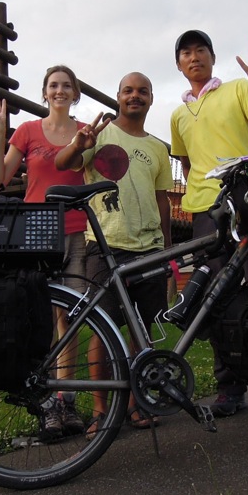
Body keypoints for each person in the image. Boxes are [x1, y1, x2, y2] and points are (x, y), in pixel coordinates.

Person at [169, 29, 248, 425]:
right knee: (214, 299)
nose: (194, 57)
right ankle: (230, 387)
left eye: (201, 50)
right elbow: (187, 164)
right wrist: (199, 190)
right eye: (186, 53)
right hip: (205, 212)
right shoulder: (177, 115)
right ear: (179, 64)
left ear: (212, 56)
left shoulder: (239, 89)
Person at [56, 72, 173, 437]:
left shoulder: (158, 147)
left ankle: (138, 405)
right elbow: (63, 163)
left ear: (151, 99)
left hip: (149, 248)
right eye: (128, 91)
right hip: (104, 247)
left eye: (142, 91)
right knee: (102, 333)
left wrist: (167, 250)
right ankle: (101, 411)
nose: (135, 96)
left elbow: (162, 200)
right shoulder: (99, 134)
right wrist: (78, 144)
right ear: (118, 97)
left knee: (141, 332)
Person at [0, 65, 89, 441]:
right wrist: (0, 134)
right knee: (43, 317)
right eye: (53, 85)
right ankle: (46, 403)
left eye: (66, 85)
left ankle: (67, 402)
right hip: (37, 231)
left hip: (76, 231)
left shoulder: (85, 132)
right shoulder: (28, 131)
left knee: (71, 318)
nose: (59, 90)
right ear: (45, 93)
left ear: (75, 93)